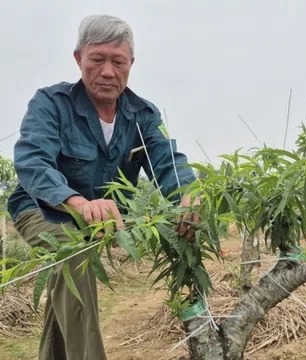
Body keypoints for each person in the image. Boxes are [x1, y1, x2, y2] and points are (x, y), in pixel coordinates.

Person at [7, 14, 198, 360]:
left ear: (131, 64)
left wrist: (187, 194)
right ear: (79, 58)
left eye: (118, 61)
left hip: (100, 220)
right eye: (97, 59)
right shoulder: (50, 104)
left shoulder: (143, 116)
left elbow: (168, 161)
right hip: (41, 209)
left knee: (67, 289)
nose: (107, 71)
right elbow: (32, 162)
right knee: (74, 255)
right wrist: (78, 203)